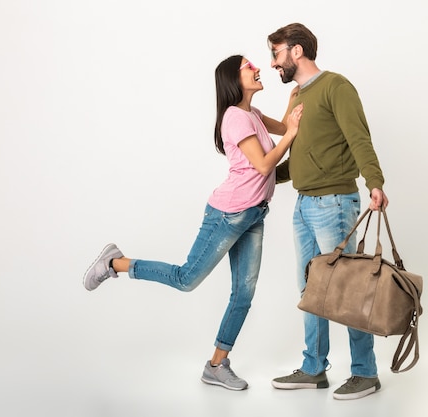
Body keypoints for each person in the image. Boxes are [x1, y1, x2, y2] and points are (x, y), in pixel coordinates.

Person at [82, 54, 303, 391]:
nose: (258, 69)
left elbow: (287, 126)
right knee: (187, 278)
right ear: (233, 77)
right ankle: (114, 262)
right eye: (249, 67)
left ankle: (216, 365)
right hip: (228, 214)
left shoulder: (253, 114)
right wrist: (291, 135)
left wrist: (293, 99)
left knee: (244, 294)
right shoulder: (234, 118)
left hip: (255, 213)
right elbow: (264, 164)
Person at [266, 23, 390, 400]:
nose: (273, 63)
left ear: (297, 51)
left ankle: (365, 373)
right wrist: (263, 173)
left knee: (347, 291)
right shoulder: (298, 96)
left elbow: (358, 137)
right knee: (310, 290)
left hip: (334, 204)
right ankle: (313, 368)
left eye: (276, 53)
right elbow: (301, 155)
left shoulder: (336, 86)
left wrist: (375, 183)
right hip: (304, 205)